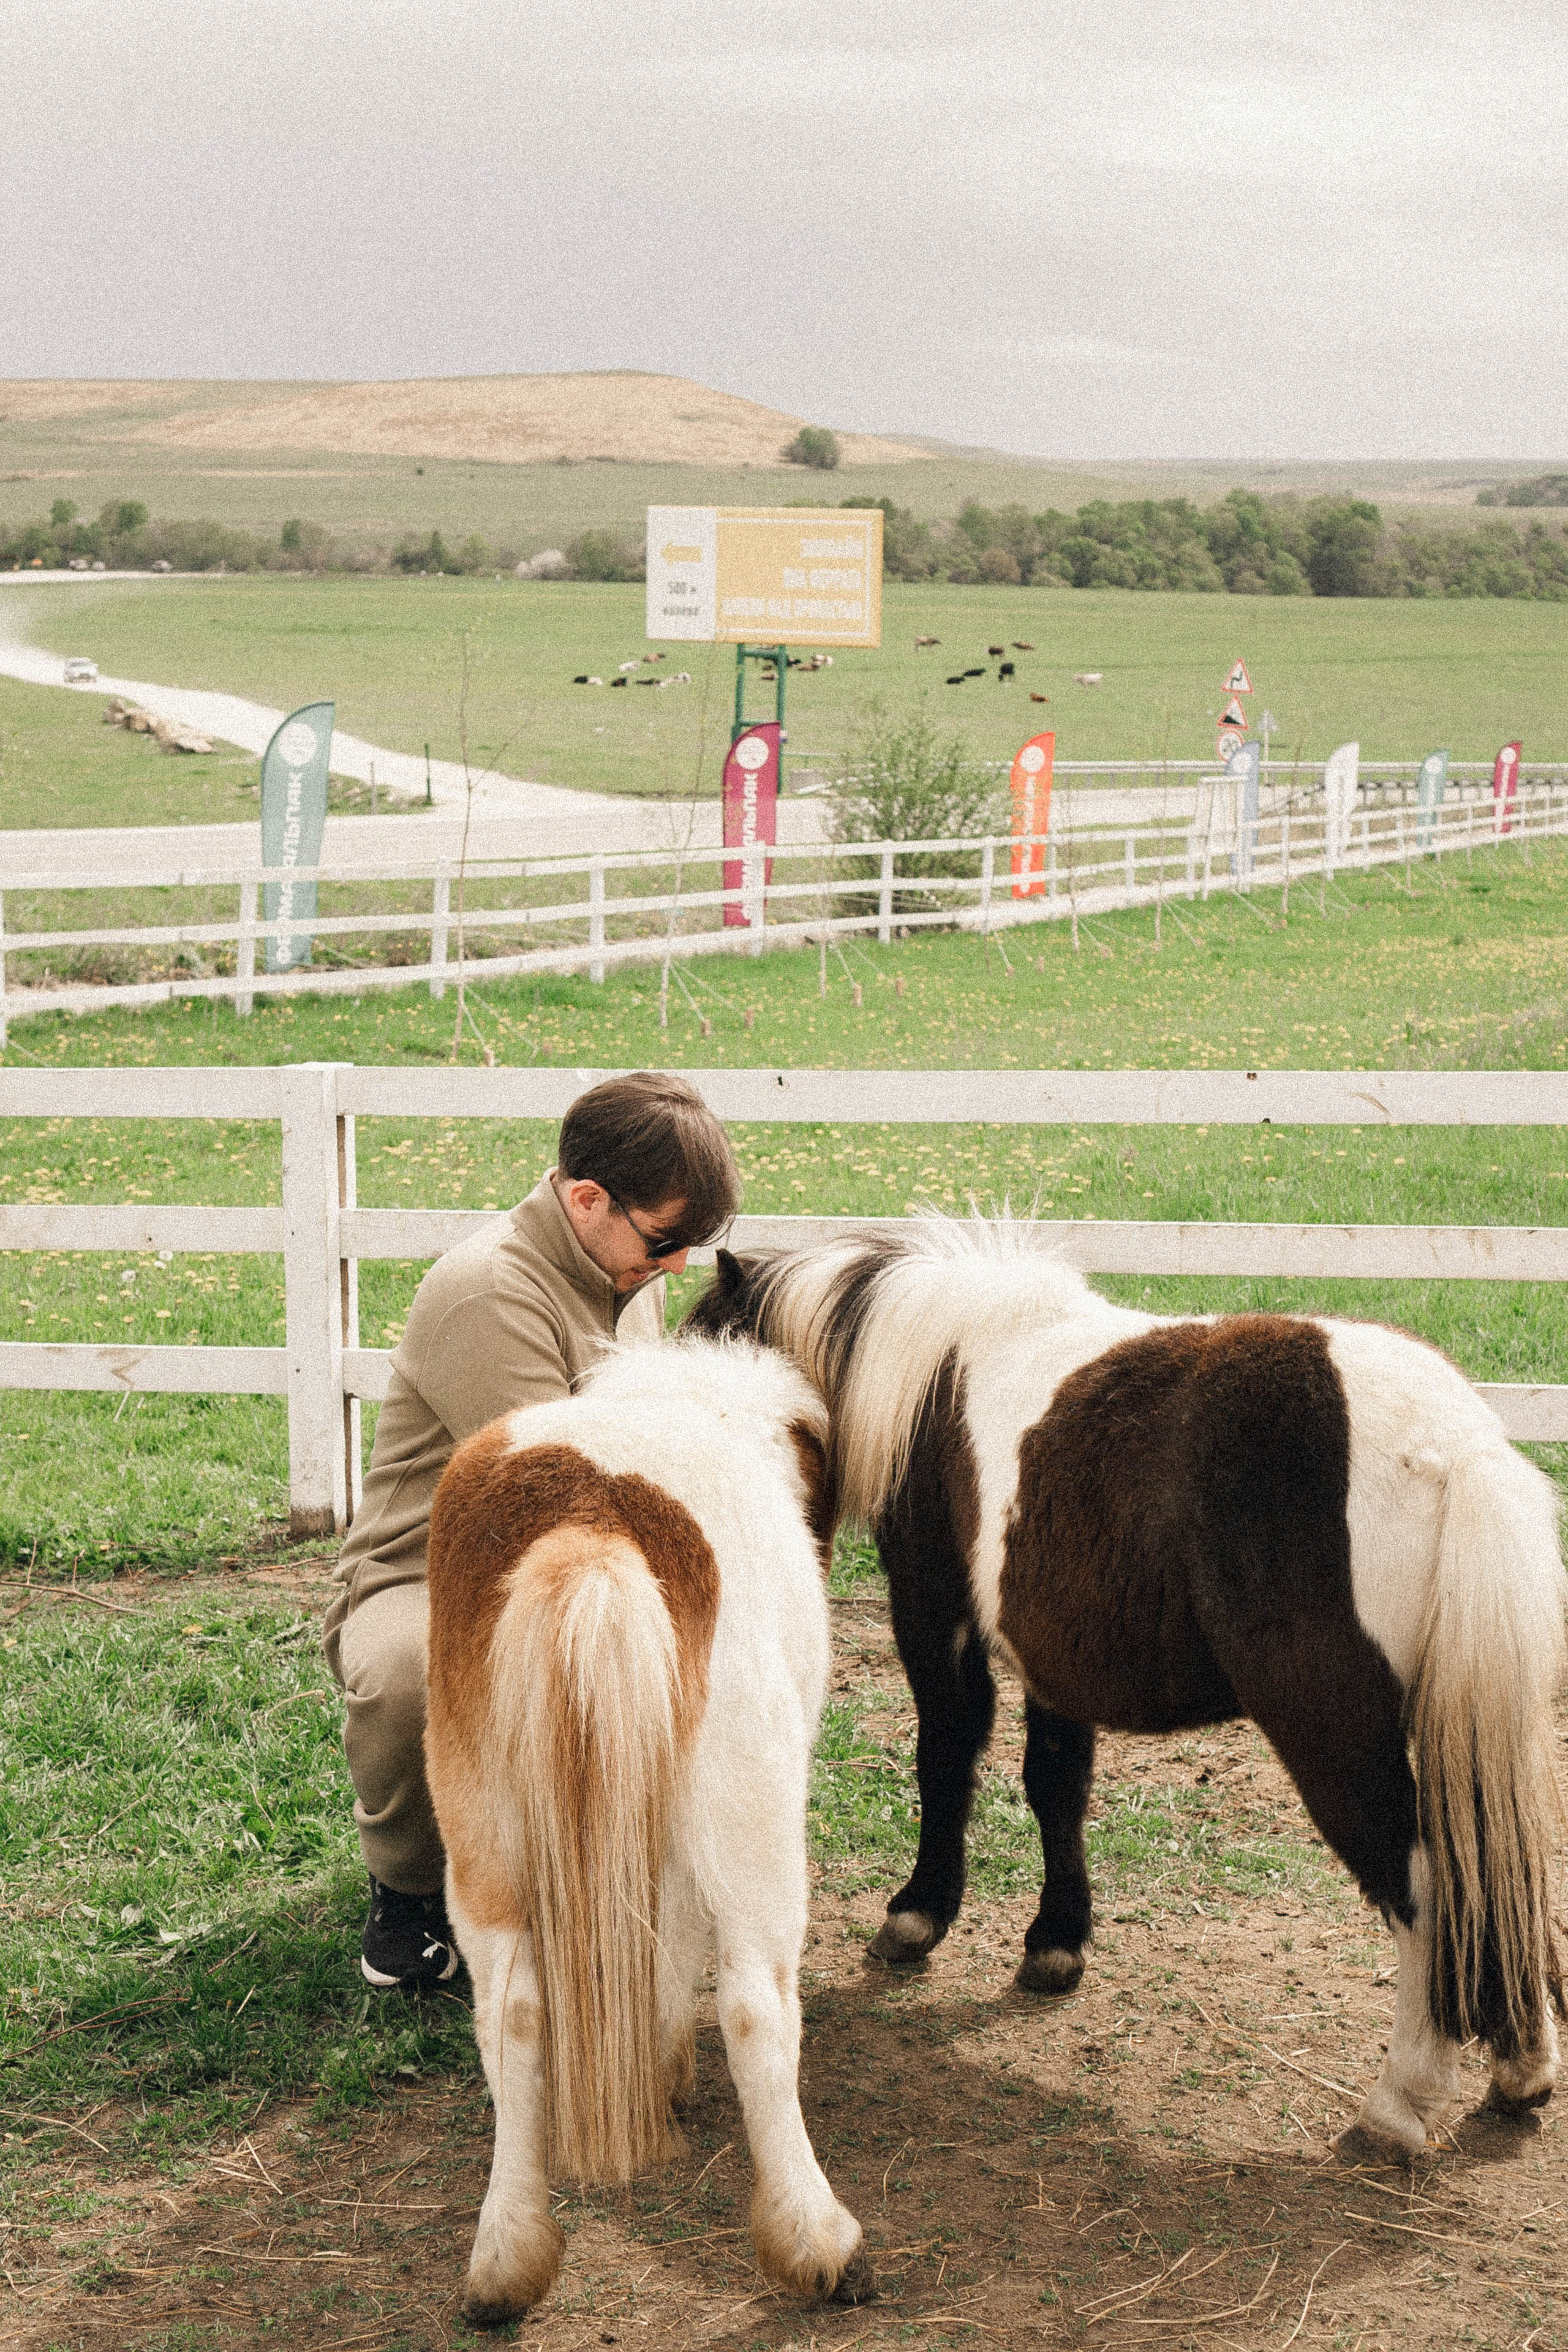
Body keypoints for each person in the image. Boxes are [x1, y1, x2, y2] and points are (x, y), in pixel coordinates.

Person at [323, 1069, 741, 1989]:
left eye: (691, 1247)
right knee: (406, 1677)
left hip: (581, 1548)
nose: (677, 1266)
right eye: (667, 1240)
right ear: (588, 1199)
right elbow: (558, 1494)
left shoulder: (624, 1271)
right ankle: (410, 1898)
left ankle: (599, 1863)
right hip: (435, 1571)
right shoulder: (490, 1293)